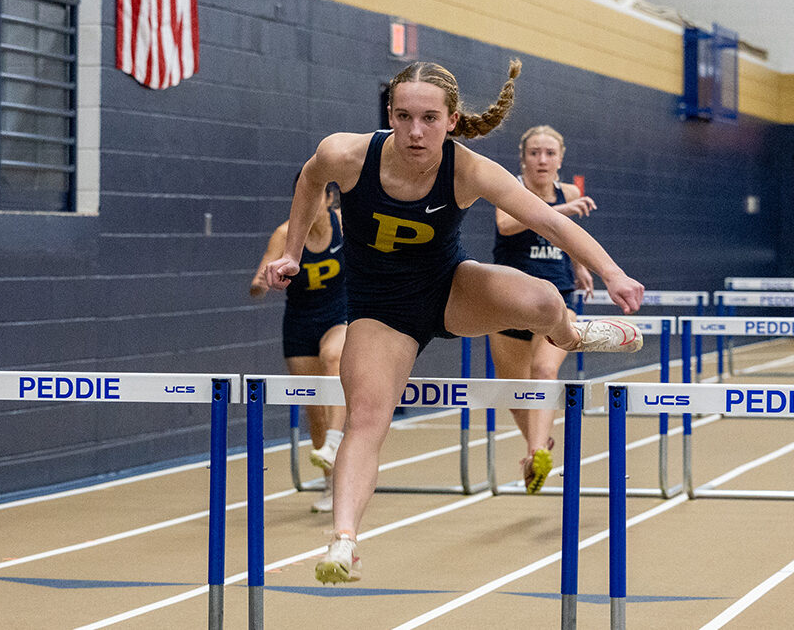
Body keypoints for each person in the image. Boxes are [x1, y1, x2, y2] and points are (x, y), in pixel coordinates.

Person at [264, 59, 644, 584]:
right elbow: (309, 181)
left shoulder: (468, 169)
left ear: (451, 118)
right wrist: (291, 254)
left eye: (429, 118)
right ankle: (344, 541)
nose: (415, 132)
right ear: (390, 115)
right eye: (402, 117)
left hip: (449, 291)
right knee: (367, 421)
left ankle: (572, 333)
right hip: (380, 312)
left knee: (538, 298)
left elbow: (551, 221)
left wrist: (613, 273)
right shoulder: (346, 154)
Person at [489, 125, 597, 495]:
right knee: (514, 391)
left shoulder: (569, 191)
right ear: (523, 158)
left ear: (560, 158)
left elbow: (566, 235)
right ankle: (539, 444)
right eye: (535, 152)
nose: (542, 160)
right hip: (509, 301)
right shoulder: (510, 187)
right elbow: (506, 225)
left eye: (550, 153)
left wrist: (580, 266)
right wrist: (558, 210)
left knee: (544, 368)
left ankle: (536, 451)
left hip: (557, 298)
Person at [250, 177, 347, 513]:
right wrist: (262, 283)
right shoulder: (285, 233)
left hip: (340, 315)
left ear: (329, 197)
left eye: (314, 195)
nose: (307, 201)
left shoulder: (343, 225)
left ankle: (336, 441)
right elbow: (260, 278)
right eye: (301, 196)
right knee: (314, 406)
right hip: (300, 323)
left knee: (333, 356)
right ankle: (331, 480)